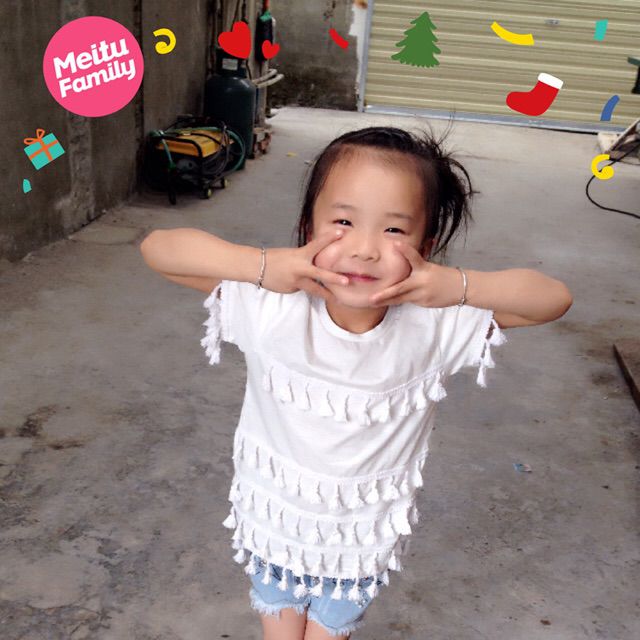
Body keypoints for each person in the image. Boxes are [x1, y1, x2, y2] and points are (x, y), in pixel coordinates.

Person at [140, 125, 573, 640]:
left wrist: (458, 286)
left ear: (426, 244)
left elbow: (552, 299)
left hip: (358, 545)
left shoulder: (436, 325)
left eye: (394, 230)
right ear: (309, 226)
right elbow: (159, 249)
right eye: (343, 222)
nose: (365, 250)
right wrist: (262, 265)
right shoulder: (270, 306)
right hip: (274, 524)